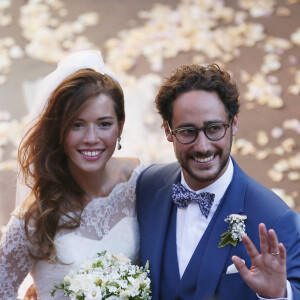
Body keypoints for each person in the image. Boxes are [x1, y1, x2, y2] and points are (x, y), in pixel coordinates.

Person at [136, 63, 300, 300]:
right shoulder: (148, 185)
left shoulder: (276, 219)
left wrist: (278, 295)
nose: (202, 146)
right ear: (168, 130)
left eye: (214, 128)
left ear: (233, 124)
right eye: (187, 131)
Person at [0, 50, 143, 299]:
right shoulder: (33, 217)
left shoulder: (136, 179)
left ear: (120, 125)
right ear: (59, 129)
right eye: (77, 124)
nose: (91, 138)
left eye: (104, 124)